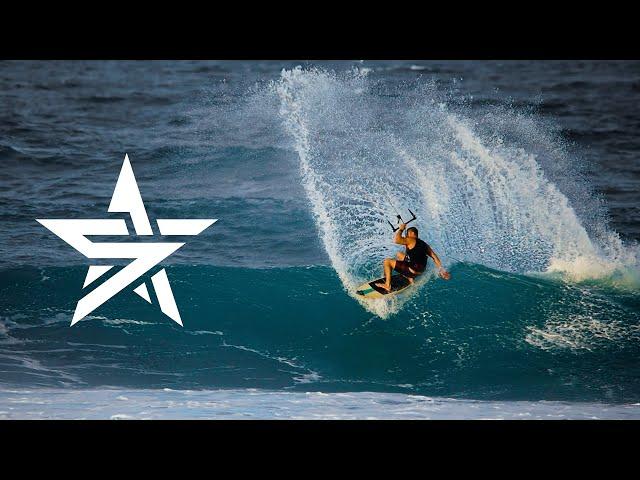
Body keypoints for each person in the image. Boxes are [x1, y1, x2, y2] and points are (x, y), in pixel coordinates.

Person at [374, 223, 450, 292]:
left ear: (412, 233)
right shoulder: (424, 244)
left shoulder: (411, 239)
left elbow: (396, 240)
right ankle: (410, 277)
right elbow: (434, 256)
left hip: (411, 270)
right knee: (399, 254)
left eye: (407, 234)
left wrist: (401, 229)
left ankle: (387, 285)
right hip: (419, 271)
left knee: (387, 261)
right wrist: (441, 269)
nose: (406, 236)